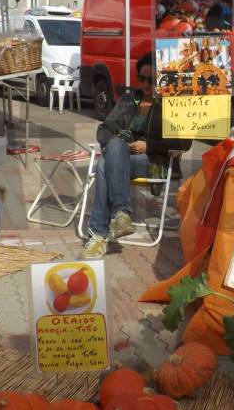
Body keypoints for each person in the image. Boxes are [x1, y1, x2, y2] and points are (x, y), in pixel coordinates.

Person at [81, 57, 191, 259]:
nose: (147, 85)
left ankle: (99, 234)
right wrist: (120, 140)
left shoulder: (172, 103)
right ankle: (121, 215)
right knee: (114, 146)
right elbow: (105, 129)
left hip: (156, 161)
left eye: (152, 80)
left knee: (104, 165)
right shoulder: (129, 99)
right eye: (142, 79)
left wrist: (149, 145)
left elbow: (184, 143)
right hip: (123, 157)